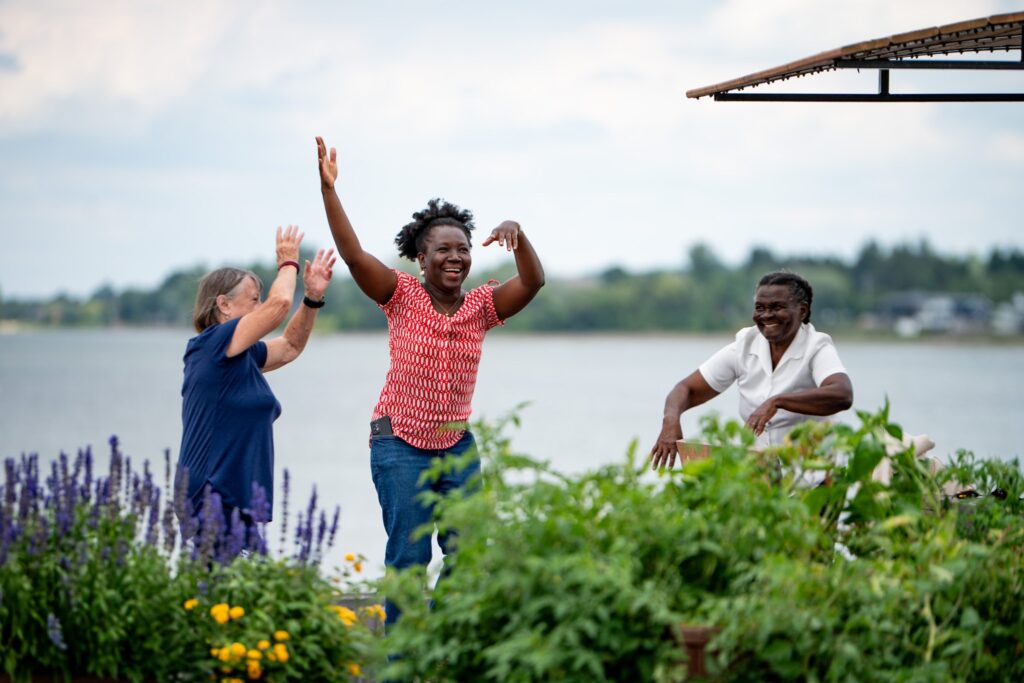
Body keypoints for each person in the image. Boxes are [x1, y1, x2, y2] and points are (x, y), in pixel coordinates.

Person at [315, 136, 545, 626]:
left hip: (456, 446)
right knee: (408, 558)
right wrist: (329, 190)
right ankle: (402, 661)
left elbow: (533, 282)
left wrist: (519, 237)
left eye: (463, 249)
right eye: (443, 250)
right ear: (422, 258)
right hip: (399, 442)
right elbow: (354, 256)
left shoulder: (481, 306)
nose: (455, 257)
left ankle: (443, 642)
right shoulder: (400, 295)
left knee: (468, 550)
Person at [178, 225, 336, 538]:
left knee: (243, 585)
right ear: (223, 304)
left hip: (236, 500)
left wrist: (312, 298)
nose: (259, 306)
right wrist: (289, 264)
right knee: (222, 585)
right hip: (212, 497)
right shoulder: (212, 345)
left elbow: (290, 347)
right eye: (253, 299)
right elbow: (278, 306)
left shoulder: (241, 355)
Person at [650, 271, 853, 469]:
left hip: (814, 476)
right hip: (762, 476)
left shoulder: (817, 347)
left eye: (777, 307)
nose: (766, 315)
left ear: (803, 311)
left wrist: (778, 402)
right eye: (760, 307)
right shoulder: (745, 345)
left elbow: (842, 394)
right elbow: (686, 389)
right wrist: (670, 422)